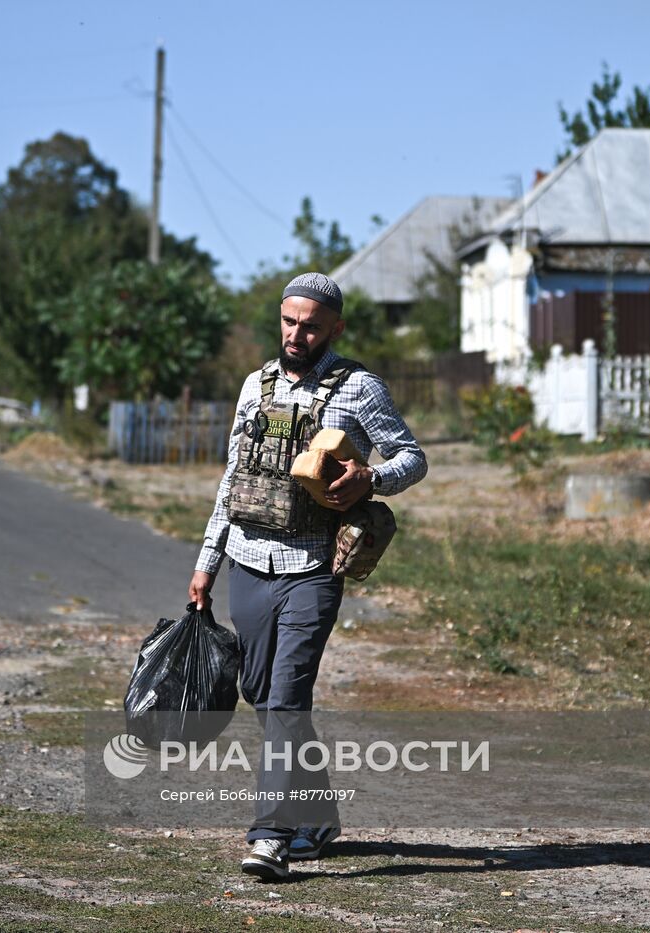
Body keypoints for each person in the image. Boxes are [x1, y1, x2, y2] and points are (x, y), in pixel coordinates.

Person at [188, 271, 427, 881]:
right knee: (264, 696)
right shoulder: (255, 385)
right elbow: (232, 477)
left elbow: (411, 456)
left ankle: (271, 835)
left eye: (311, 325)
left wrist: (371, 479)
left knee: (289, 696)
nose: (297, 334)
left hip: (313, 567)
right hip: (247, 558)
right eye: (289, 322)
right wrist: (206, 562)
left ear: (335, 328)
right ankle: (317, 819)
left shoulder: (360, 387)